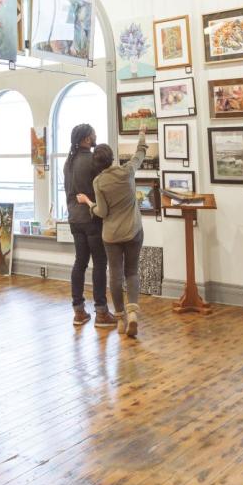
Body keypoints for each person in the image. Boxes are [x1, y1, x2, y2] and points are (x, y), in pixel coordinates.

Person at [90, 132, 148, 339]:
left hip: (111, 235)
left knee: (115, 274)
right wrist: (142, 135)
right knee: (131, 272)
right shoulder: (127, 171)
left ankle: (121, 319)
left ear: (97, 163)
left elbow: (102, 212)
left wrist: (90, 205)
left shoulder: (99, 182)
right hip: (133, 231)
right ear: (112, 158)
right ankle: (133, 313)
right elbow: (140, 154)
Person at [63, 123, 113, 328]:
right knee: (99, 263)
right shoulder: (93, 161)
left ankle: (79, 311)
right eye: (93, 134)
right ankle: (101, 312)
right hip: (92, 218)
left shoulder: (68, 162)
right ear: (86, 139)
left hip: (74, 219)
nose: (95, 136)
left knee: (80, 262)